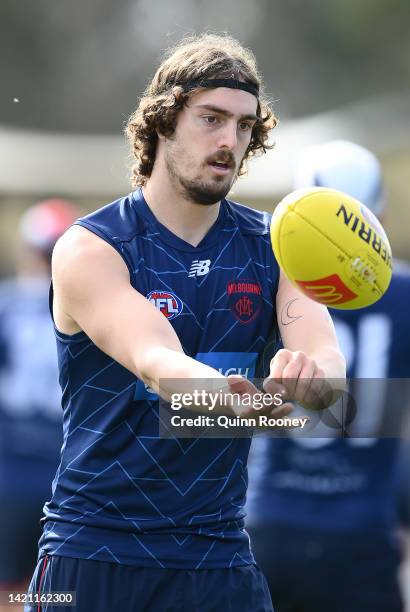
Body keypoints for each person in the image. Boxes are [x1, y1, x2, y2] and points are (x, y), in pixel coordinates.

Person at [25, 34, 345, 612]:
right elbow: (157, 363)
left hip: (217, 556)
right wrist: (236, 402)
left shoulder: (280, 246)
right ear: (163, 123)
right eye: (211, 118)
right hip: (93, 551)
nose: (230, 141)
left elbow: (327, 377)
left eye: (245, 126)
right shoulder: (93, 247)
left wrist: (310, 384)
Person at [247, 140, 410, 612]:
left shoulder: (263, 282)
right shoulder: (403, 295)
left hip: (269, 519)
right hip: (361, 529)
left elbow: (196, 402)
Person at [0, 199, 79, 595]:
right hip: (66, 473)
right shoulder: (94, 308)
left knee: (14, 587)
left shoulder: (7, 304)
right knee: (57, 590)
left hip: (14, 468)